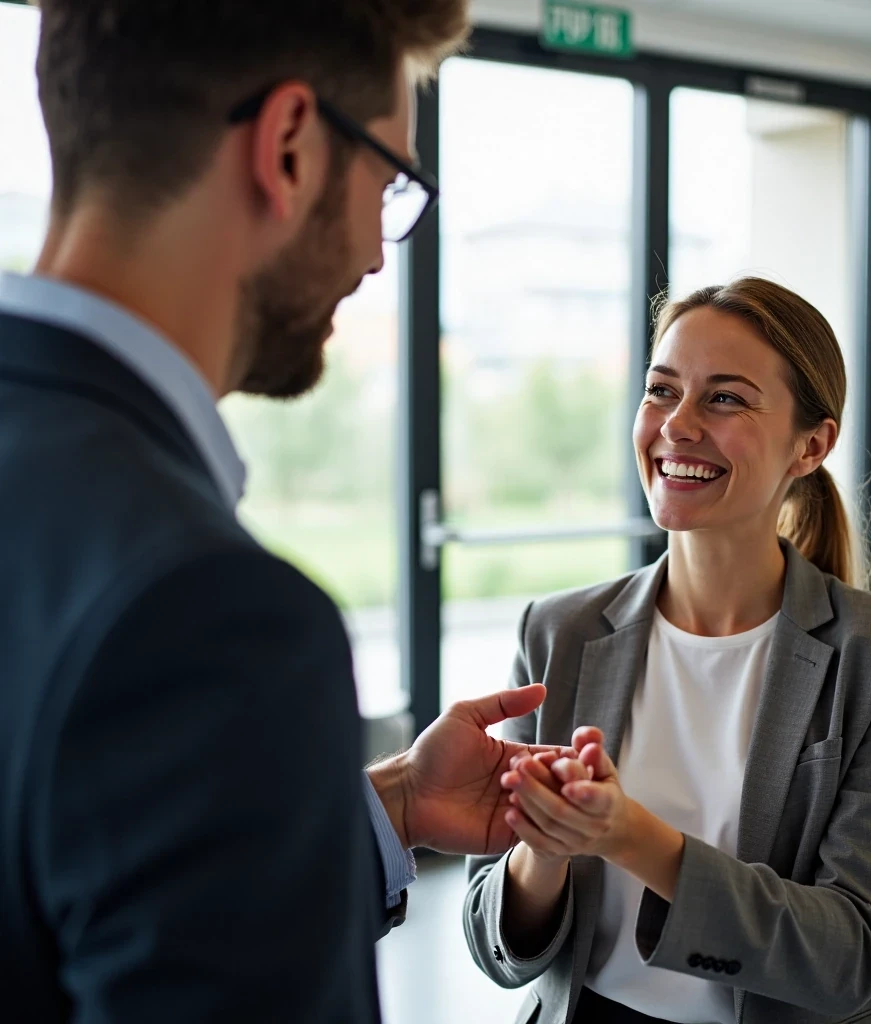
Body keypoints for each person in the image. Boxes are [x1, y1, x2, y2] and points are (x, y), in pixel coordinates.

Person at [0, 2, 575, 1021]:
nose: (377, 254)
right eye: (392, 181)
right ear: (291, 147)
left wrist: (386, 802)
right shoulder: (210, 614)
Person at [464, 278, 871, 1024]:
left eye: (725, 398)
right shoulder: (558, 632)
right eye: (662, 390)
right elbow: (496, 942)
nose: (678, 424)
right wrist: (548, 848)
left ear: (810, 445)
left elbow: (847, 956)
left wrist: (631, 838)